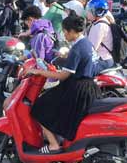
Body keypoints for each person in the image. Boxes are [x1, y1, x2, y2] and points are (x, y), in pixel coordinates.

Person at [27, 15, 100, 153]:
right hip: (89, 87)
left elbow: (63, 76)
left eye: (65, 31)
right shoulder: (87, 44)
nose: (64, 35)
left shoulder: (77, 48)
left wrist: (39, 72)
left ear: (72, 31)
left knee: (39, 107)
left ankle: (53, 144)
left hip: (77, 89)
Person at [86, 0, 116, 71]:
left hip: (102, 60)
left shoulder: (99, 26)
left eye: (89, 10)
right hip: (103, 59)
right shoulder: (99, 22)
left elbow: (91, 48)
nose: (87, 12)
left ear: (96, 12)